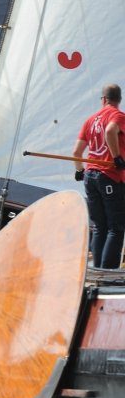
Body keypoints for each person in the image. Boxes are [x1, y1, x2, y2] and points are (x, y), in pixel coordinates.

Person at [73, 84, 125, 269]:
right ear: (119, 99)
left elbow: (77, 151)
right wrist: (117, 157)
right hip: (109, 175)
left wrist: (79, 170)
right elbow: (111, 131)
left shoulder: (90, 120)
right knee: (116, 227)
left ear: (103, 99)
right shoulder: (118, 116)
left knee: (100, 227)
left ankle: (97, 270)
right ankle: (107, 273)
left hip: (90, 177)